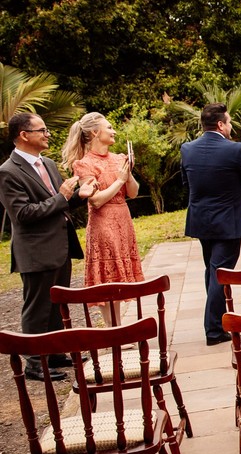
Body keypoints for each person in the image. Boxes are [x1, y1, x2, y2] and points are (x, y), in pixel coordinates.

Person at [0, 113, 95, 381]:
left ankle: (54, 353)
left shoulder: (49, 164)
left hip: (59, 245)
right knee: (37, 307)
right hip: (35, 250)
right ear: (24, 135)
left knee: (56, 303)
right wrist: (63, 196)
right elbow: (23, 214)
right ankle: (33, 362)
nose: (47, 135)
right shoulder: (8, 172)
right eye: (42, 130)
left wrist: (78, 197)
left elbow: (57, 204)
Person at [181, 103, 241, 346]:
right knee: (220, 274)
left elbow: (186, 183)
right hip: (228, 220)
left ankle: (217, 322)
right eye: (228, 122)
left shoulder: (187, 149)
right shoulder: (235, 149)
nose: (230, 126)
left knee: (211, 270)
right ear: (220, 124)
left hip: (201, 218)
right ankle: (214, 330)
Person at [63, 113, 143, 324]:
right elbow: (96, 200)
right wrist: (119, 181)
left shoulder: (118, 158)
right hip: (103, 222)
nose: (113, 131)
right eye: (109, 128)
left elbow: (133, 193)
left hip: (123, 219)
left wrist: (129, 172)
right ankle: (112, 329)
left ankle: (118, 329)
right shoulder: (84, 164)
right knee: (107, 277)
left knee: (118, 276)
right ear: (95, 133)